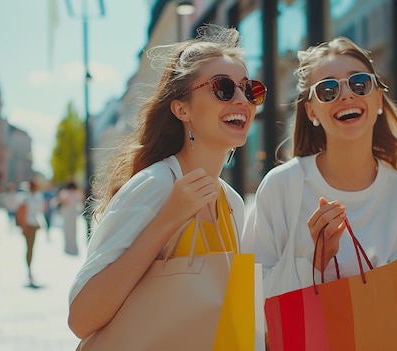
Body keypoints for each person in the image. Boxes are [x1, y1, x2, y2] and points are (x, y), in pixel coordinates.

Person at [67, 24, 266, 342]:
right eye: (223, 89)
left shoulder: (232, 204)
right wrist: (167, 220)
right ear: (181, 108)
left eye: (250, 89)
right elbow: (81, 318)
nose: (242, 100)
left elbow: (235, 321)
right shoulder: (155, 185)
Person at [243, 37, 397, 300]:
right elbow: (251, 294)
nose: (347, 94)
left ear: (378, 100)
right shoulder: (281, 186)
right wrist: (314, 264)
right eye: (328, 90)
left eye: (359, 83)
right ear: (311, 112)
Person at [17, 179, 46, 288]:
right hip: (28, 225)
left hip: (34, 224)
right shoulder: (26, 197)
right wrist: (23, 226)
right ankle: (28, 267)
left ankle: (29, 266)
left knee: (31, 248)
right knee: (29, 248)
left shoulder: (37, 197)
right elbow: (21, 213)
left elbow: (41, 209)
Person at [57, 181, 84, 255]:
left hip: (68, 214)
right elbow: (81, 199)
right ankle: (72, 248)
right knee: (73, 231)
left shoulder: (65, 192)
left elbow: (61, 199)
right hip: (72, 214)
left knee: (67, 231)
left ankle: (69, 248)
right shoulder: (76, 193)